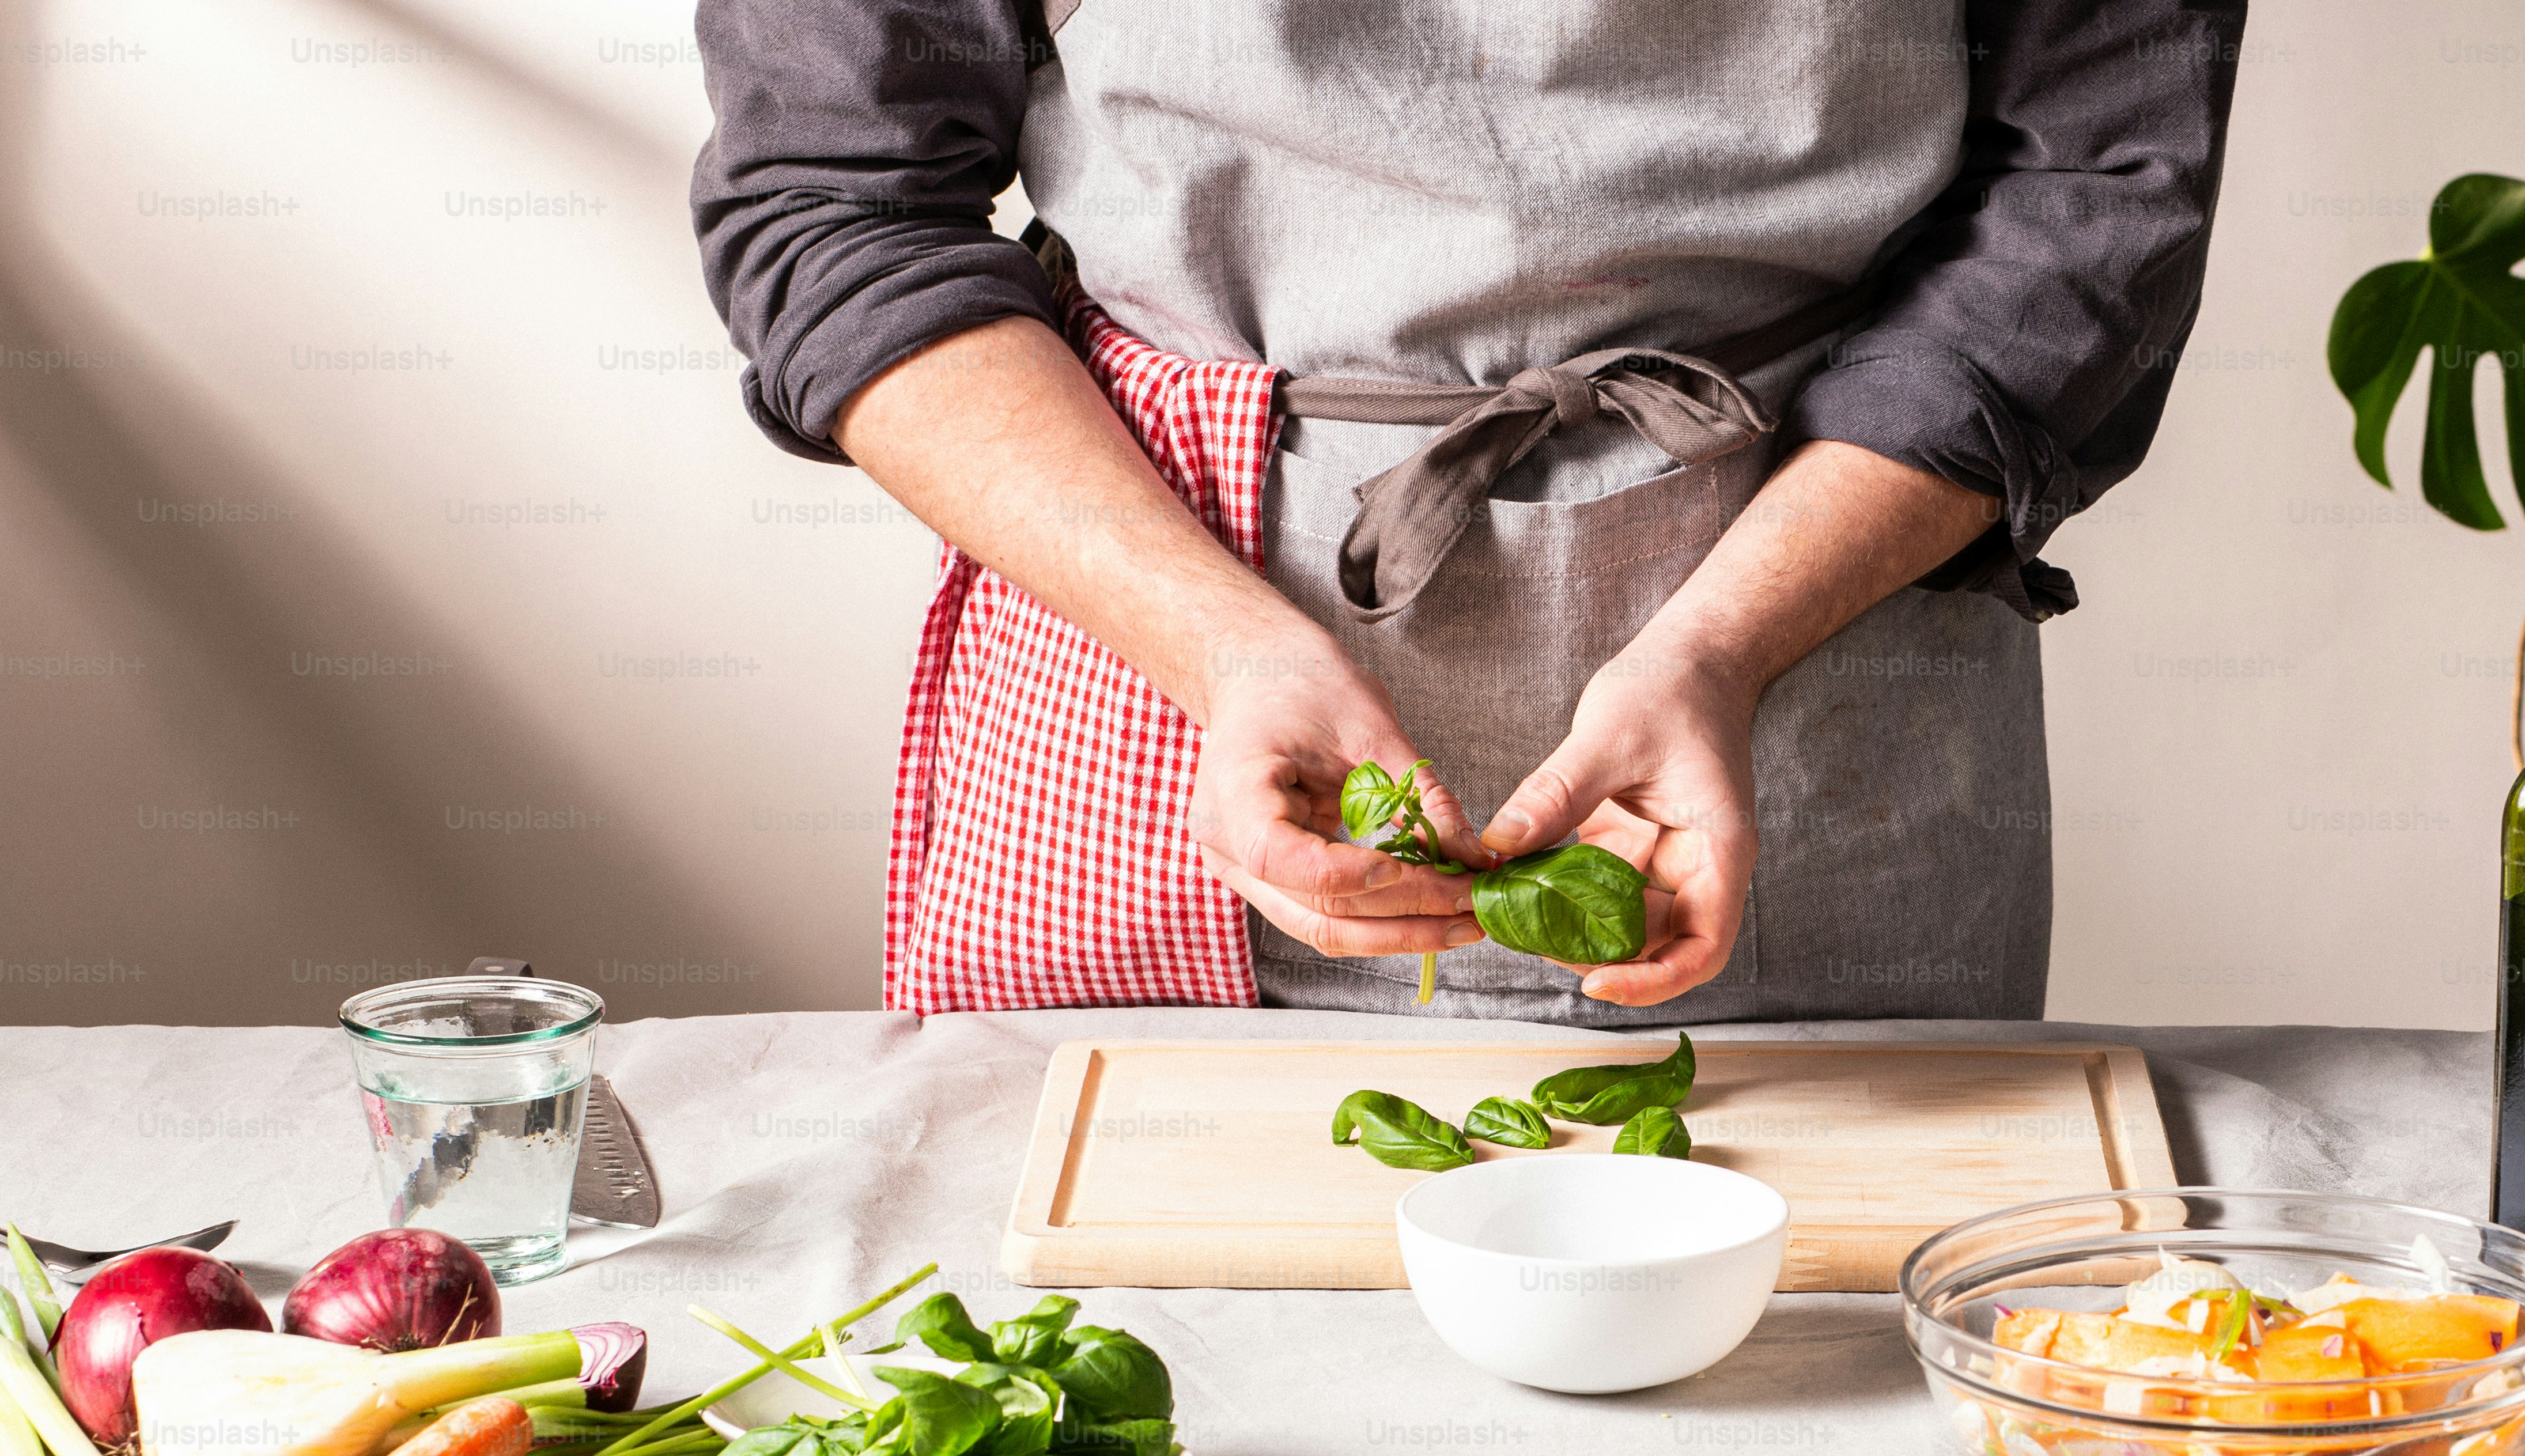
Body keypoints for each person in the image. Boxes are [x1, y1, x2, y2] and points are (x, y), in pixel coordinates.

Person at [694, 2, 2241, 1022]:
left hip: (1827, 657)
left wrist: (1721, 642)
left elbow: (2093, 201)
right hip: (1159, 672)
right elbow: (837, 200)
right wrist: (1219, 648)